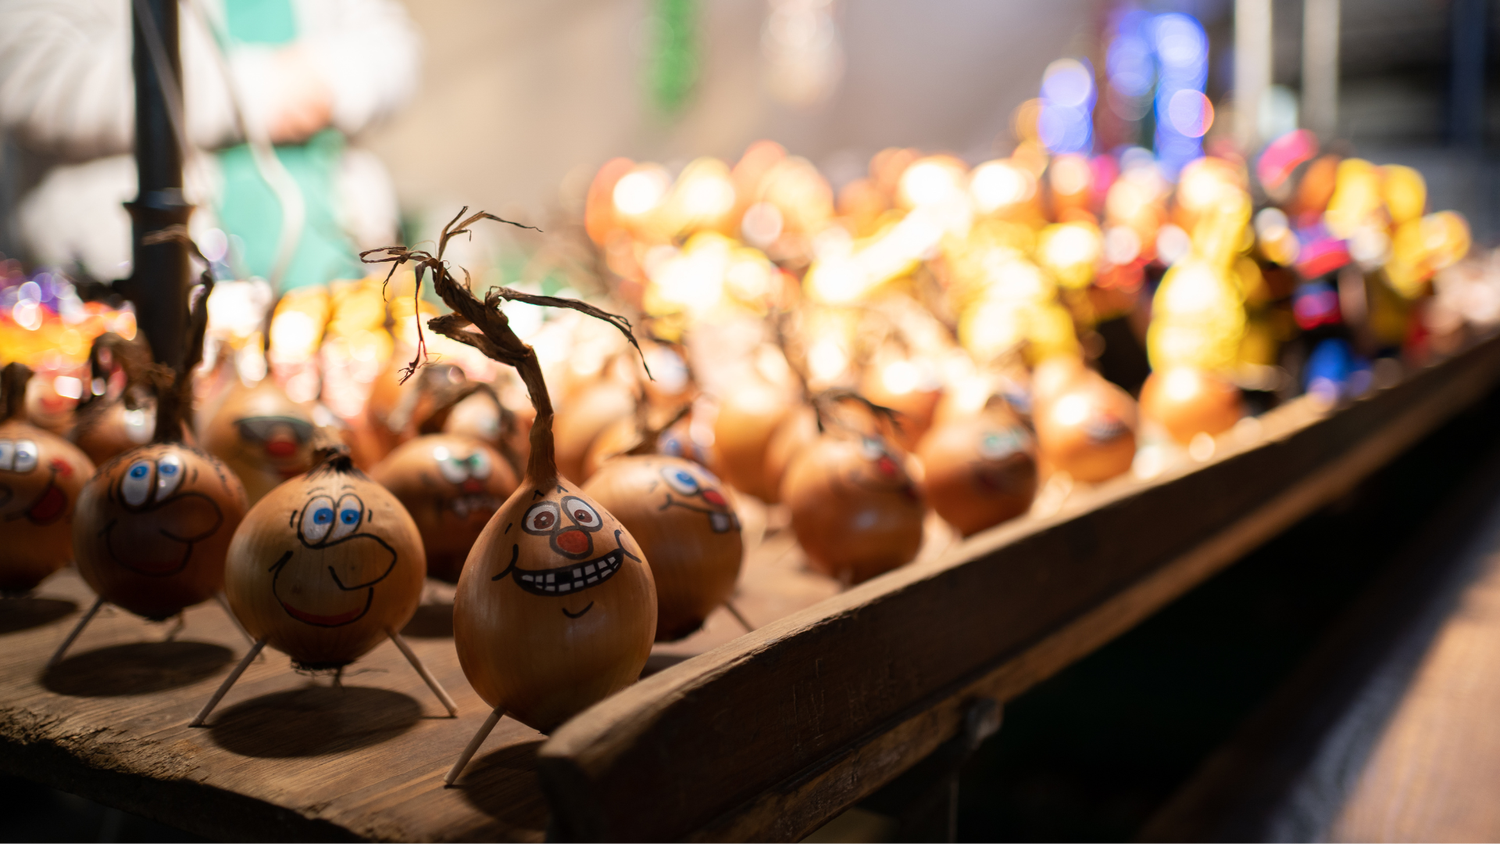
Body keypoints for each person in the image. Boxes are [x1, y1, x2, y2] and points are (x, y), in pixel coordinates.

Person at [0, 0, 420, 291]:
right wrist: (256, 91)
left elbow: (390, 45)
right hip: (134, 285)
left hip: (339, 271)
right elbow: (27, 68)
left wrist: (330, 81)